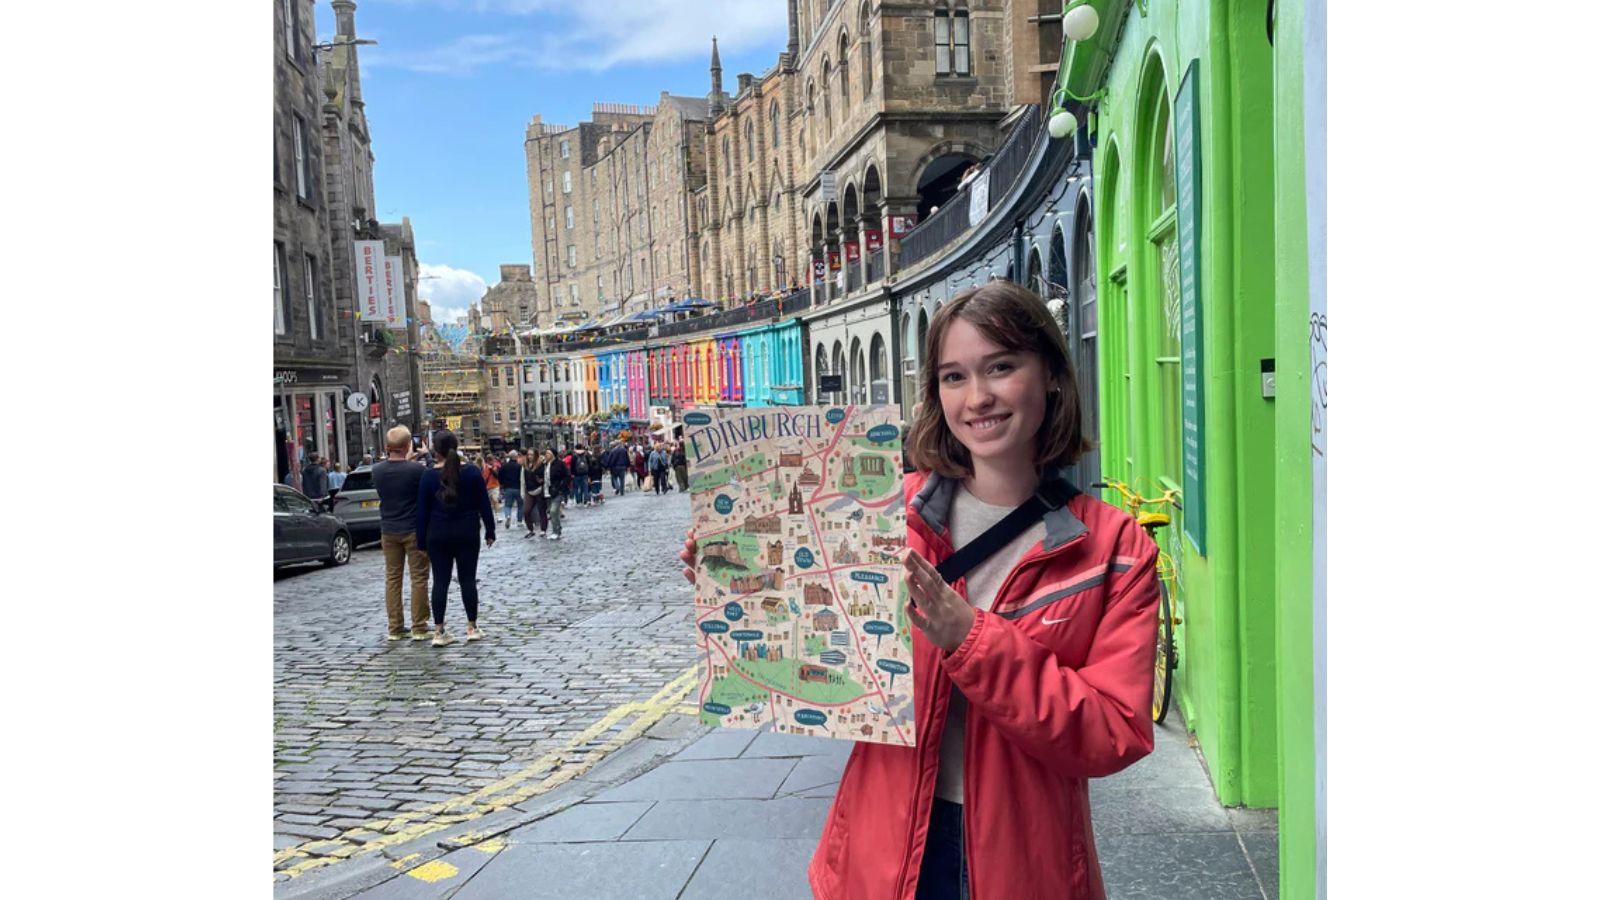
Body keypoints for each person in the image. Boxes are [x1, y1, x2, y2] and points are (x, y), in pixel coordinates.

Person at [679, 281, 1160, 900]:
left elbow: (1113, 731)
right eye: (954, 377)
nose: (977, 398)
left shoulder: (1114, 551)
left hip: (1024, 862)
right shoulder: (878, 513)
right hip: (882, 850)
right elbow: (825, 665)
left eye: (1002, 367)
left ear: (1053, 376)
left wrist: (972, 640)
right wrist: (742, 582)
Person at [415, 431, 495, 646]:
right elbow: (483, 503)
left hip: (437, 534)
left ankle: (439, 631)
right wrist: (490, 530)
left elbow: (421, 512)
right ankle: (472, 626)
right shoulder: (471, 473)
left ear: (435, 450)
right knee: (468, 580)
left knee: (440, 582)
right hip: (466, 532)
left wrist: (420, 541)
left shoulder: (429, 476)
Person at [372, 426, 430, 641]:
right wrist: (422, 456)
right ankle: (419, 626)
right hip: (413, 529)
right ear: (408, 446)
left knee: (393, 578)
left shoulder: (376, 471)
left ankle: (395, 627)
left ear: (387, 447)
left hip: (388, 529)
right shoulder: (416, 470)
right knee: (419, 578)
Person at [538, 447, 570, 540]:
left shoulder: (560, 464)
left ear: (552, 454)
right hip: (547, 491)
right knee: (551, 512)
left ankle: (555, 531)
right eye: (545, 453)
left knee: (553, 511)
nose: (546, 455)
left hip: (557, 491)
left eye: (548, 453)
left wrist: (561, 486)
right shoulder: (544, 464)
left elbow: (567, 476)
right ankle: (557, 528)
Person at [523, 453, 548, 538]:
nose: (529, 456)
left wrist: (540, 480)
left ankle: (543, 530)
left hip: (539, 489)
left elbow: (545, 475)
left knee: (542, 511)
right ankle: (530, 529)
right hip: (529, 490)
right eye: (528, 455)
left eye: (531, 455)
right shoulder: (526, 466)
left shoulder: (541, 465)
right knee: (526, 511)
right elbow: (524, 479)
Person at [498, 452, 524, 529]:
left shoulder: (504, 466)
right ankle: (519, 521)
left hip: (508, 488)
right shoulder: (519, 466)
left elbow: (499, 476)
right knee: (520, 505)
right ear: (516, 457)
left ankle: (508, 516)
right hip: (518, 488)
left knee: (507, 505)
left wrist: (502, 484)